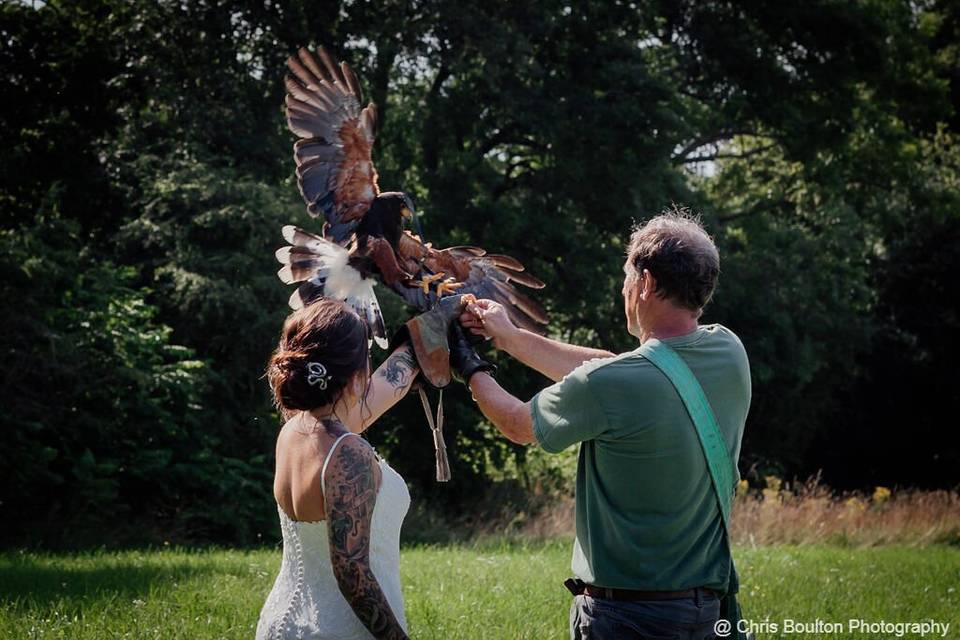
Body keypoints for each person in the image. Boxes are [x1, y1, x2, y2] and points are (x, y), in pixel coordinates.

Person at [452, 209, 752, 640]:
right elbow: (620, 369)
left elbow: (518, 424)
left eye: (628, 275)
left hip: (626, 618)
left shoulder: (613, 385)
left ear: (646, 283)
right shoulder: (728, 350)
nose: (624, 287)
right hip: (704, 610)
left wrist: (468, 363)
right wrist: (510, 336)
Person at [256, 298, 421, 640]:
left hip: (279, 624)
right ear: (358, 374)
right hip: (338, 630)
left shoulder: (293, 431)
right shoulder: (348, 454)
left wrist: (422, 340)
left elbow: (375, 395)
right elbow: (352, 573)